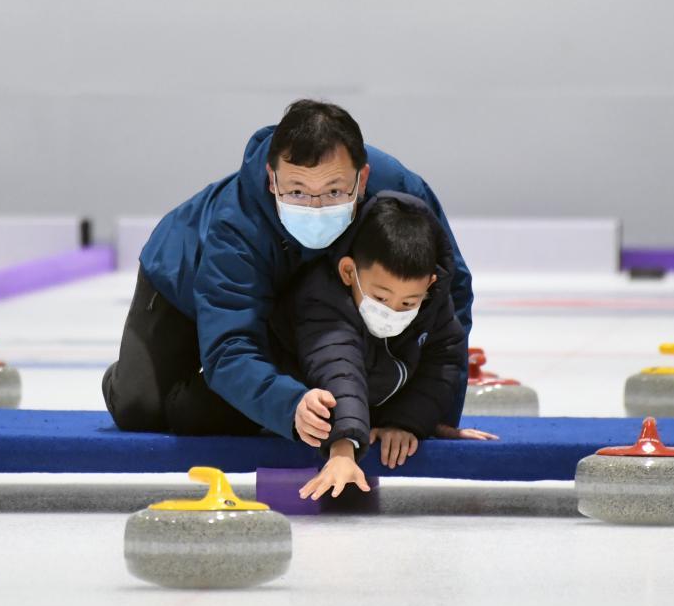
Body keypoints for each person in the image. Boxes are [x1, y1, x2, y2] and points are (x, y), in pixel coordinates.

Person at [102, 99, 473, 446]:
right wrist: (291, 406)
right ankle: (132, 376)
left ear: (362, 180)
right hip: (184, 277)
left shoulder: (401, 193)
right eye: (297, 191)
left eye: (334, 191)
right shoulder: (236, 225)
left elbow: (447, 290)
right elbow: (230, 347)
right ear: (271, 178)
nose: (315, 207)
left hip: (295, 300)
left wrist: (430, 413)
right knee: (141, 409)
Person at [264, 193, 498, 500]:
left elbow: (442, 365)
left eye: (408, 302)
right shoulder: (321, 298)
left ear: (429, 284)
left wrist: (406, 422)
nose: (393, 310)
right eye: (381, 298)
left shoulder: (435, 305)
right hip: (295, 396)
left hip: (369, 401)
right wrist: (343, 450)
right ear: (349, 272)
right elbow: (338, 368)